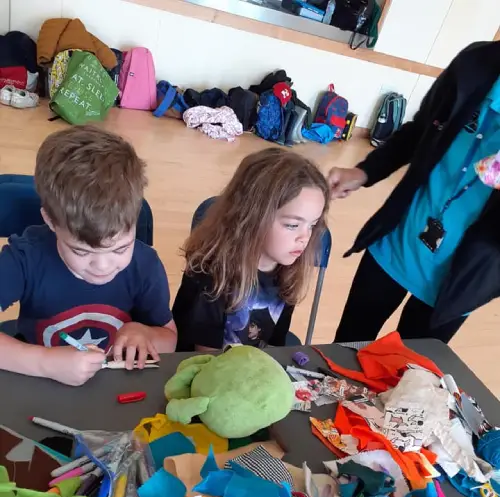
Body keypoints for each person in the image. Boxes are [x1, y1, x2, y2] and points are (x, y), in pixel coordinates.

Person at [329, 40, 500, 344]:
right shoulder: (476, 62)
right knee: (346, 348)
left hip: (457, 280)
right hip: (398, 241)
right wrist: (364, 171)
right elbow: (421, 129)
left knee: (407, 380)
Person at [0, 126, 177, 386]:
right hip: (38, 384)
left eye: (120, 248)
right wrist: (45, 362)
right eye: (81, 251)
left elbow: (170, 339)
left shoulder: (145, 266)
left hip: (113, 392)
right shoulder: (25, 257)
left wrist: (144, 333)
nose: (102, 266)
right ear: (50, 220)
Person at [173, 148, 329, 351]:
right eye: (292, 225)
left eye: (312, 225)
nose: (305, 237)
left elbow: (275, 347)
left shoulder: (288, 269)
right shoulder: (212, 272)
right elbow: (204, 359)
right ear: (252, 217)